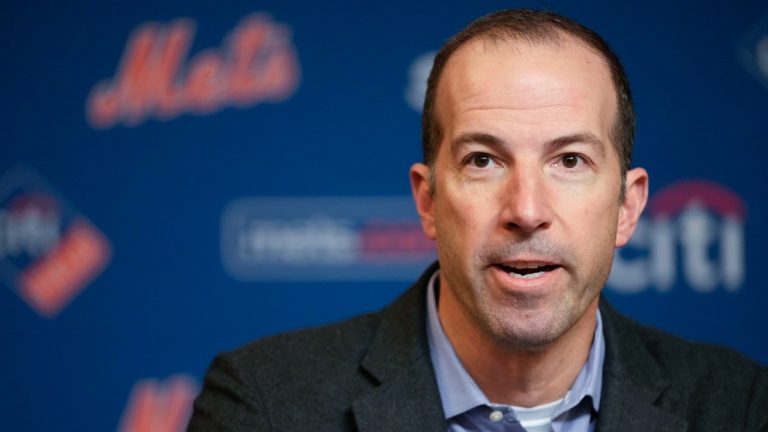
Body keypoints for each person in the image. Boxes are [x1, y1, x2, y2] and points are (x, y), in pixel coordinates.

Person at [188, 9, 768, 432]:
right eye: (483, 160)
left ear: (627, 207)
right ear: (427, 201)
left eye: (569, 160)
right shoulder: (264, 404)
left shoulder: (741, 406)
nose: (527, 211)